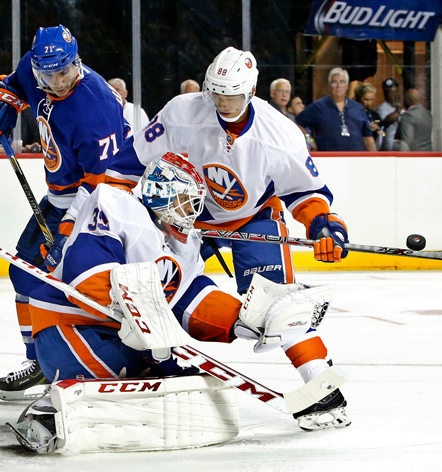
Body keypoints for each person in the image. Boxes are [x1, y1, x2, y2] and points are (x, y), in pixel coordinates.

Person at [104, 46, 352, 421]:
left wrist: (323, 225)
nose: (221, 101)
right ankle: (151, 363)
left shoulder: (279, 134)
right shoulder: (182, 111)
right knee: (154, 289)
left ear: (251, 91)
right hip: (187, 217)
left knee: (278, 306)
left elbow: (306, 192)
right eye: (215, 92)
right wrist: (111, 208)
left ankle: (322, 386)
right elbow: (130, 162)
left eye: (231, 95)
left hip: (253, 220)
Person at [26, 153, 349, 437]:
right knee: (106, 391)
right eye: (186, 200)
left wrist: (239, 320)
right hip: (70, 325)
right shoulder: (116, 205)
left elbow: (188, 298)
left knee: (180, 389)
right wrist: (135, 314)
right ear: (159, 193)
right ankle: (52, 409)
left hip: (127, 335)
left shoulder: (183, 243)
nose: (193, 210)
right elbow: (85, 275)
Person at [0, 25, 138, 400]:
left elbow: (102, 183)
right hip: (63, 195)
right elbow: (15, 82)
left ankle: (108, 354)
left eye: (64, 71)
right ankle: (39, 363)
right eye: (49, 74)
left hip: (108, 200)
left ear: (76, 60)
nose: (58, 80)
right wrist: (4, 100)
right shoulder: (35, 67)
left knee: (79, 281)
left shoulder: (94, 108)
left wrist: (67, 229)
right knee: (25, 273)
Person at [295, 68, 375, 151]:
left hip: (355, 159)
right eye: (334, 82)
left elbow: (368, 138)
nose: (338, 85)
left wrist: (375, 160)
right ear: (329, 86)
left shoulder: (358, 108)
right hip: (328, 159)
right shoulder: (318, 107)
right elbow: (298, 123)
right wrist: (310, 140)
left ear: (347, 86)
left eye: (342, 82)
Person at [354, 82, 384, 150]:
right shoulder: (352, 113)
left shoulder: (374, 115)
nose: (369, 103)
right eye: (366, 99)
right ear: (359, 98)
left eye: (372, 100)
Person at [376, 78, 403, 151]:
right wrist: (398, 111)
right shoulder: (382, 108)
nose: (394, 95)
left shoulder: (400, 107)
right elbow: (387, 121)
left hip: (401, 147)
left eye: (396, 92)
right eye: (391, 92)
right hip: (387, 147)